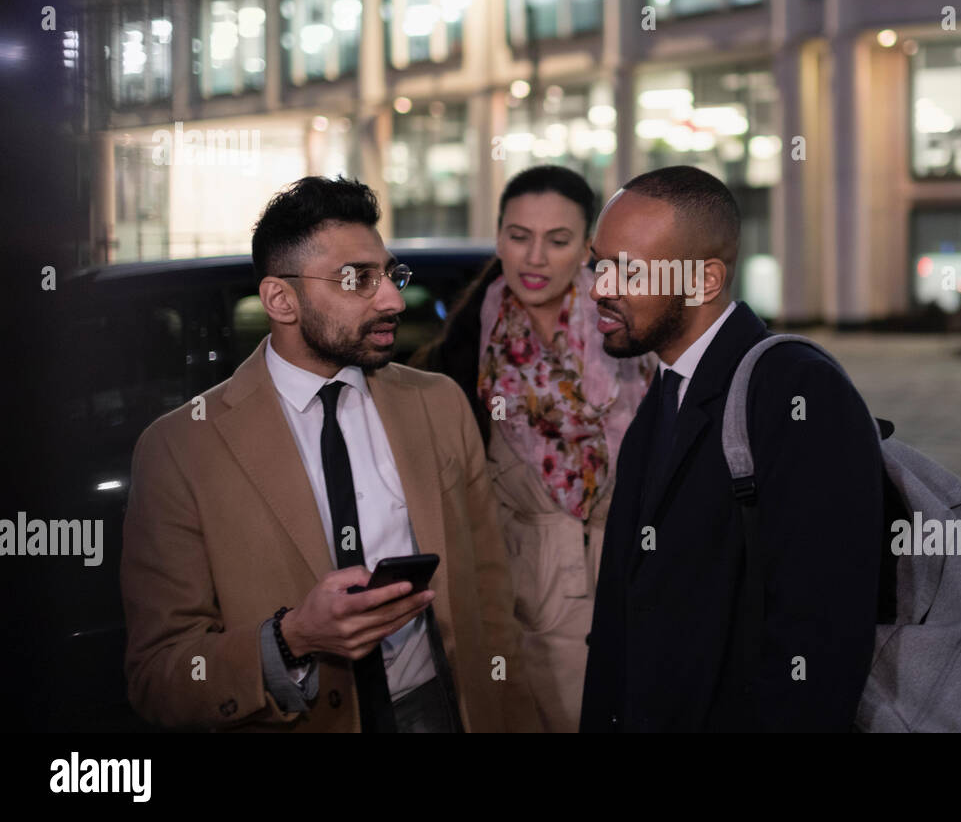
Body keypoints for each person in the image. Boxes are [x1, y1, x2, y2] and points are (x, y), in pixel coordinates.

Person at [121, 176, 539, 733]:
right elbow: (159, 675)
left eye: (390, 274)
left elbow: (490, 596)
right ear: (280, 300)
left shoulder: (439, 403)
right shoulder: (179, 448)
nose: (391, 298)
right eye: (357, 280)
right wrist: (292, 639)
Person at [579, 166, 883, 732]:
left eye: (626, 270)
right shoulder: (664, 390)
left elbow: (820, 642)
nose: (599, 287)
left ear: (705, 280)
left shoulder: (798, 391)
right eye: (598, 263)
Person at [410, 165, 653, 732]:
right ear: (499, 239)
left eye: (558, 239)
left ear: (589, 248)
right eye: (519, 237)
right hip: (528, 608)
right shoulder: (465, 353)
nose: (535, 257)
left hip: (636, 588)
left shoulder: (635, 333)